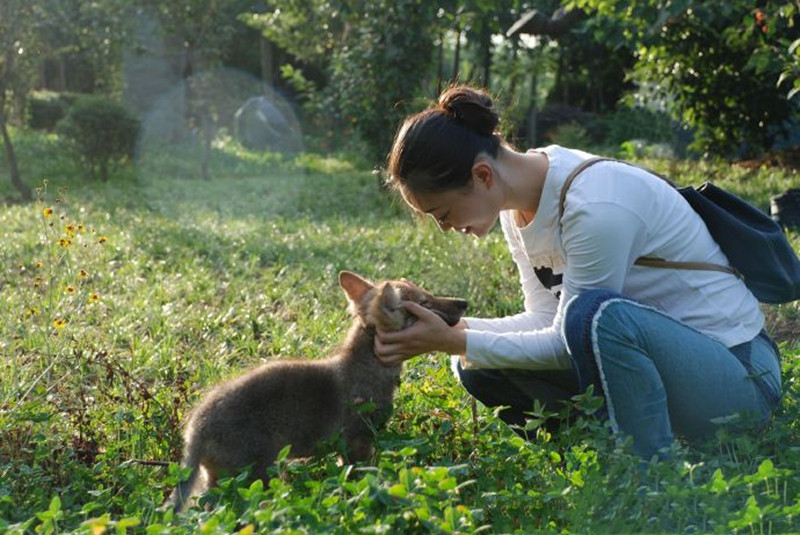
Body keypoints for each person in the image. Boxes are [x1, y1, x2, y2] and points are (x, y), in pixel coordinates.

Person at [374, 85, 782, 459]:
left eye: (442, 214)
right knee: (477, 362)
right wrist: (449, 333)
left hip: (740, 379)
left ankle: (648, 472)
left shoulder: (594, 205)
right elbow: (546, 319)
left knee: (596, 314)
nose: (445, 228)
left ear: (482, 175)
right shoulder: (517, 209)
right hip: (654, 368)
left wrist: (450, 338)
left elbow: (574, 335)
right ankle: (598, 454)